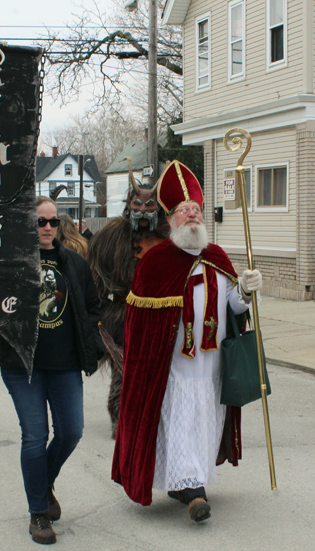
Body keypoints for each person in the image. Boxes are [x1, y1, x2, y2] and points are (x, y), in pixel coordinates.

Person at [112, 160, 263, 522]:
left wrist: (244, 290)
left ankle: (188, 483)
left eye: (196, 210)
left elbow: (233, 308)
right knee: (180, 420)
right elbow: (142, 328)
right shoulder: (156, 263)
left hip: (211, 366)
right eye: (184, 211)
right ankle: (193, 490)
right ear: (171, 220)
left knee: (205, 421)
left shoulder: (217, 257)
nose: (192, 215)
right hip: (175, 367)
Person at [0, 196, 104, 545]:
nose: (46, 227)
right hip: (22, 366)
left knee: (72, 431)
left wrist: (88, 337)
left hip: (65, 365)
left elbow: (92, 306)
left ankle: (43, 481)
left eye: (52, 221)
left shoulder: (73, 262)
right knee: (34, 436)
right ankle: (38, 513)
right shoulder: (11, 263)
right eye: (40, 221)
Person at [87, 160, 170, 437]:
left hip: (157, 316)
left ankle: (155, 420)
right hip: (119, 315)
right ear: (128, 204)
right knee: (123, 370)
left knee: (158, 371)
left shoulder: (168, 240)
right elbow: (94, 277)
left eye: (149, 206)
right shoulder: (109, 236)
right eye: (138, 205)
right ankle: (121, 419)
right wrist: (98, 318)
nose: (143, 211)